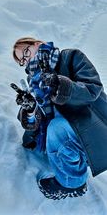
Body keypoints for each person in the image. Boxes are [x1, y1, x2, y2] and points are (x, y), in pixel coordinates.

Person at [12, 37, 107, 200]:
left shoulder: (71, 58)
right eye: (22, 60)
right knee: (51, 131)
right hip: (69, 135)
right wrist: (30, 109)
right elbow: (37, 122)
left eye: (26, 52)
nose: (26, 60)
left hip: (93, 128)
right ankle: (72, 160)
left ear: (37, 44)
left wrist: (60, 84)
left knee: (56, 127)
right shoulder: (33, 81)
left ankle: (73, 183)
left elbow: (93, 89)